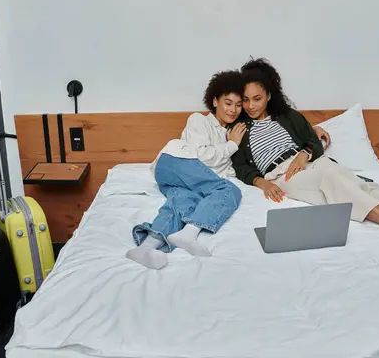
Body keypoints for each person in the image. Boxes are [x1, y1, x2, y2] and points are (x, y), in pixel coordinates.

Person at [231, 58, 379, 246]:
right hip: (282, 176)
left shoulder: (287, 116)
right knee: (334, 177)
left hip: (310, 164)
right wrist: (264, 183)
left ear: (269, 95)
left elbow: (312, 141)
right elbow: (242, 167)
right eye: (246, 100)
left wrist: (304, 153)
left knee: (364, 187)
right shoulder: (239, 128)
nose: (251, 106)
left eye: (257, 99)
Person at [126, 70, 332, 270]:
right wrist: (232, 145)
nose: (233, 110)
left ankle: (146, 247)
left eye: (238, 105)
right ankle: (189, 233)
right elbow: (201, 157)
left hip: (182, 180)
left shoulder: (233, 133)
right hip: (174, 162)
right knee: (228, 191)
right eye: (227, 103)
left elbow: (232, 166)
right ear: (215, 101)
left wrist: (312, 129)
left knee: (182, 204)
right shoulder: (199, 120)